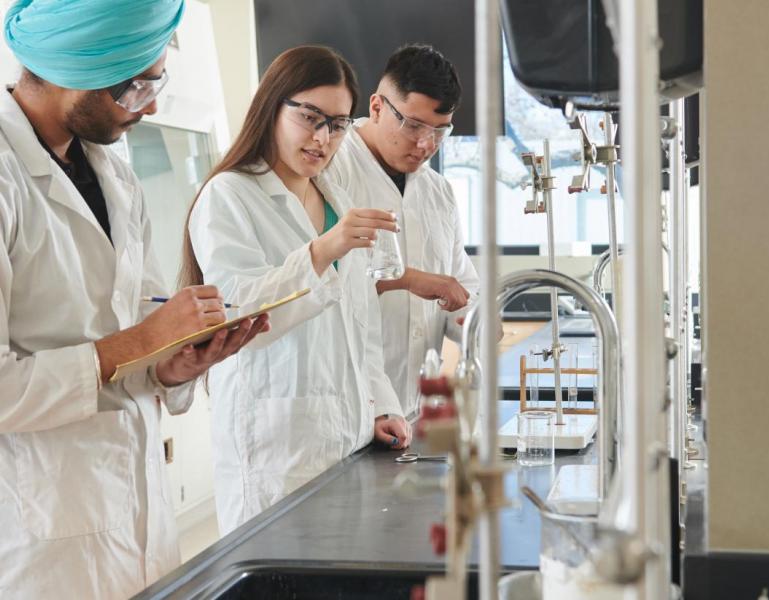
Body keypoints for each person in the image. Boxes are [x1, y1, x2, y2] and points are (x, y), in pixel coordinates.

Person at [0, 1, 268, 597]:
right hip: (36, 536)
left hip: (134, 510)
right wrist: (144, 339)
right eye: (137, 87)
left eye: (157, 83)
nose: (147, 109)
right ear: (78, 66)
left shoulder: (112, 173)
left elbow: (127, 327)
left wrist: (171, 363)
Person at [182, 45, 411, 535]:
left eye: (338, 124)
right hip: (275, 449)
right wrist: (321, 251)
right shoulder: (228, 196)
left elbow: (359, 326)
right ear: (272, 106)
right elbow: (235, 318)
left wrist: (382, 404)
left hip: (346, 438)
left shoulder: (335, 197)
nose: (323, 138)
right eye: (311, 117)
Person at [321, 44, 479, 416]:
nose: (426, 144)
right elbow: (319, 281)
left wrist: (479, 324)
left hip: (416, 407)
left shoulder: (438, 191)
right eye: (414, 126)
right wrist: (409, 279)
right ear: (376, 107)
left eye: (441, 131)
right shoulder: (332, 170)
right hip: (349, 405)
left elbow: (461, 284)